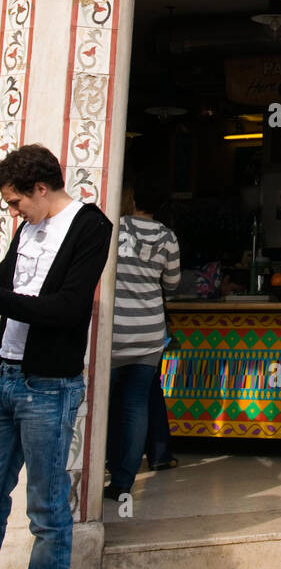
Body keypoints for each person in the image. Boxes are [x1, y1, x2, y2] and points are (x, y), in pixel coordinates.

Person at [0, 144, 112, 569]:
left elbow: (69, 310)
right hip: (2, 373)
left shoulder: (91, 227)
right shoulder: (29, 225)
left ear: (40, 189)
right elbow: (9, 283)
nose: (12, 213)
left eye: (15, 203)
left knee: (46, 512)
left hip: (46, 386)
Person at [105, 179, 180, 499]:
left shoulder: (114, 229)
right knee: (136, 405)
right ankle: (123, 483)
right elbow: (173, 283)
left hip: (113, 331)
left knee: (104, 404)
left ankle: (100, 468)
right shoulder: (167, 237)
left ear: (132, 197)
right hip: (149, 333)